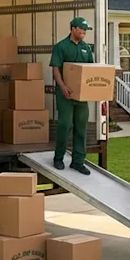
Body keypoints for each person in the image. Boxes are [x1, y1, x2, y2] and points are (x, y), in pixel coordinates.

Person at [50, 16, 95, 175]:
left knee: (81, 128)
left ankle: (78, 161)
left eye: (85, 30)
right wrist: (62, 87)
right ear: (73, 28)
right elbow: (56, 69)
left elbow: (90, 70)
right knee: (65, 125)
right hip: (65, 95)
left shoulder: (87, 48)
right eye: (81, 29)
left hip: (81, 97)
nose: (84, 32)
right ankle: (58, 158)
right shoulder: (61, 47)